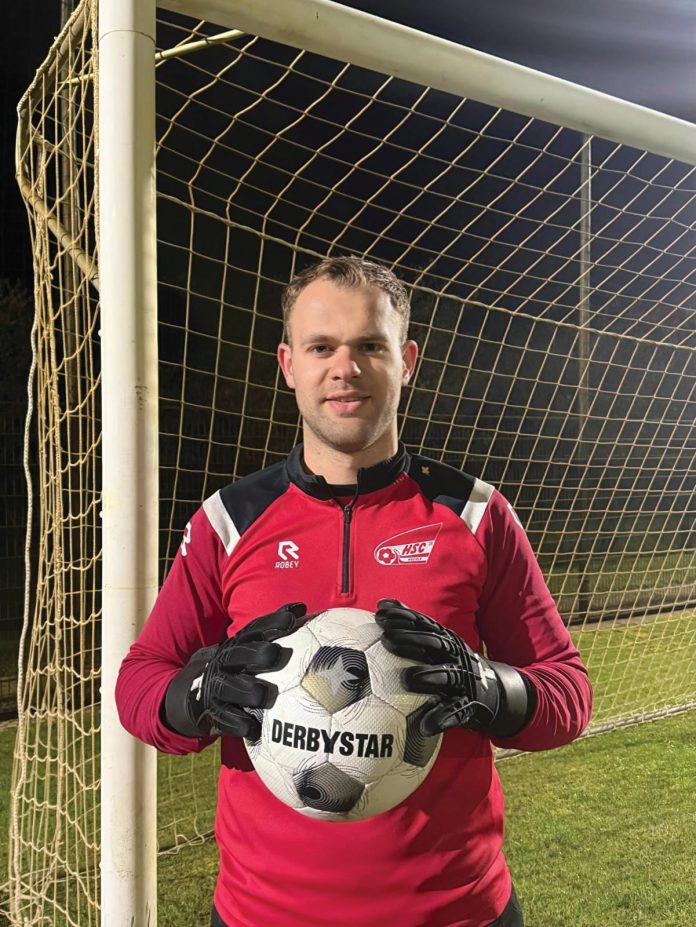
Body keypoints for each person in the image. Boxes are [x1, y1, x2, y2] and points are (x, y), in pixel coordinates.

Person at [116, 256, 592, 927]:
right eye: (322, 347)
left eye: (370, 345)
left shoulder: (476, 514)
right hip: (262, 915)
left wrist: (489, 688)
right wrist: (199, 694)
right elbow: (139, 681)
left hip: (455, 911)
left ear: (407, 361)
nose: (346, 368)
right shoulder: (229, 520)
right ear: (288, 364)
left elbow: (568, 692)